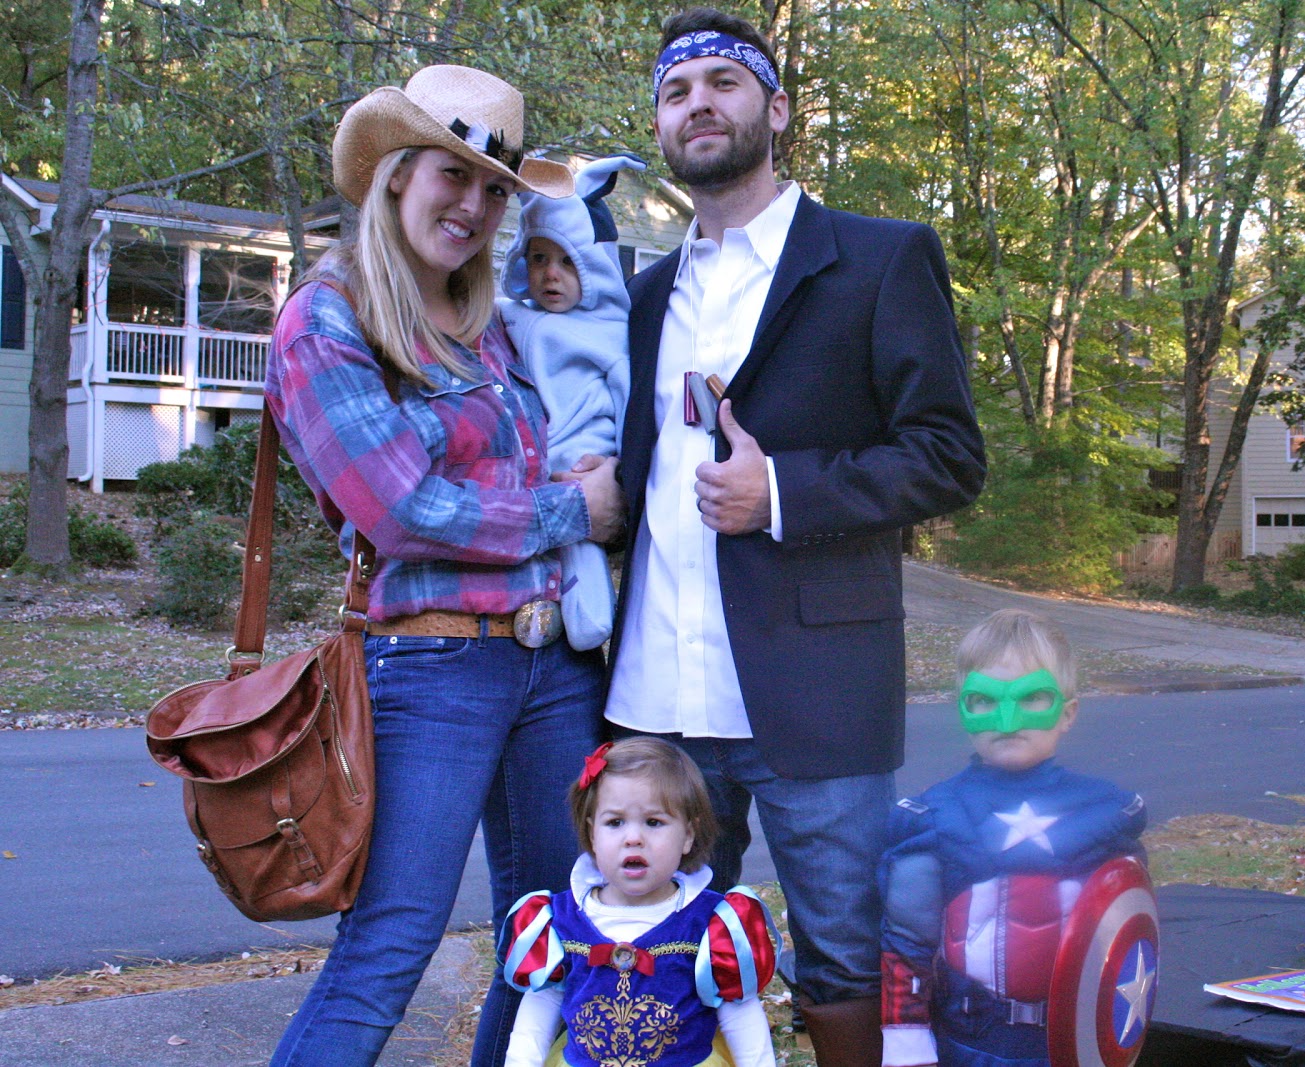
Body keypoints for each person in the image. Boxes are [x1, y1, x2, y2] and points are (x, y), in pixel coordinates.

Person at [597, 8, 986, 1064]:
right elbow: (639, 471)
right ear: (660, 126)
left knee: (845, 960)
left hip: (816, 696)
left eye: (722, 83)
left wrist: (781, 491)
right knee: (652, 955)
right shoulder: (641, 296)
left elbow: (949, 455)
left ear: (774, 109)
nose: (698, 105)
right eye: (676, 92)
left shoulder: (879, 259)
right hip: (655, 697)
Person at [262, 65, 624, 1067]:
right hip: (432, 665)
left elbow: (540, 451)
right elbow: (402, 508)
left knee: (549, 940)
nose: (474, 206)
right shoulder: (327, 320)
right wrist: (576, 510)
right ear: (394, 173)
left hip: (555, 664)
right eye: (452, 175)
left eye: (496, 189)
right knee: (388, 946)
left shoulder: (491, 325)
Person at [877, 609, 1148, 1067]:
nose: (1006, 720)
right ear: (963, 710)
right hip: (971, 1041)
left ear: (1068, 712)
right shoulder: (934, 818)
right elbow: (907, 943)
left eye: (1032, 697)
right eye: (985, 700)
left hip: (1078, 1042)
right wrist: (907, 1040)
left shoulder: (1107, 814)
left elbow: (1129, 936)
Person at [499, 738, 780, 1067]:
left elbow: (739, 1014)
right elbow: (540, 1006)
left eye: (654, 822)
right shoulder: (559, 920)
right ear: (592, 834)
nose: (633, 838)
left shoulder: (712, 924)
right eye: (615, 822)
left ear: (688, 835)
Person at [499, 154, 646, 650]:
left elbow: (630, 401)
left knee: (580, 550)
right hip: (531, 462)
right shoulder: (510, 316)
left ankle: (591, 620)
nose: (551, 275)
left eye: (567, 261)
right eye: (538, 259)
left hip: (584, 455)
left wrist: (622, 464)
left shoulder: (608, 331)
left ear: (593, 265)